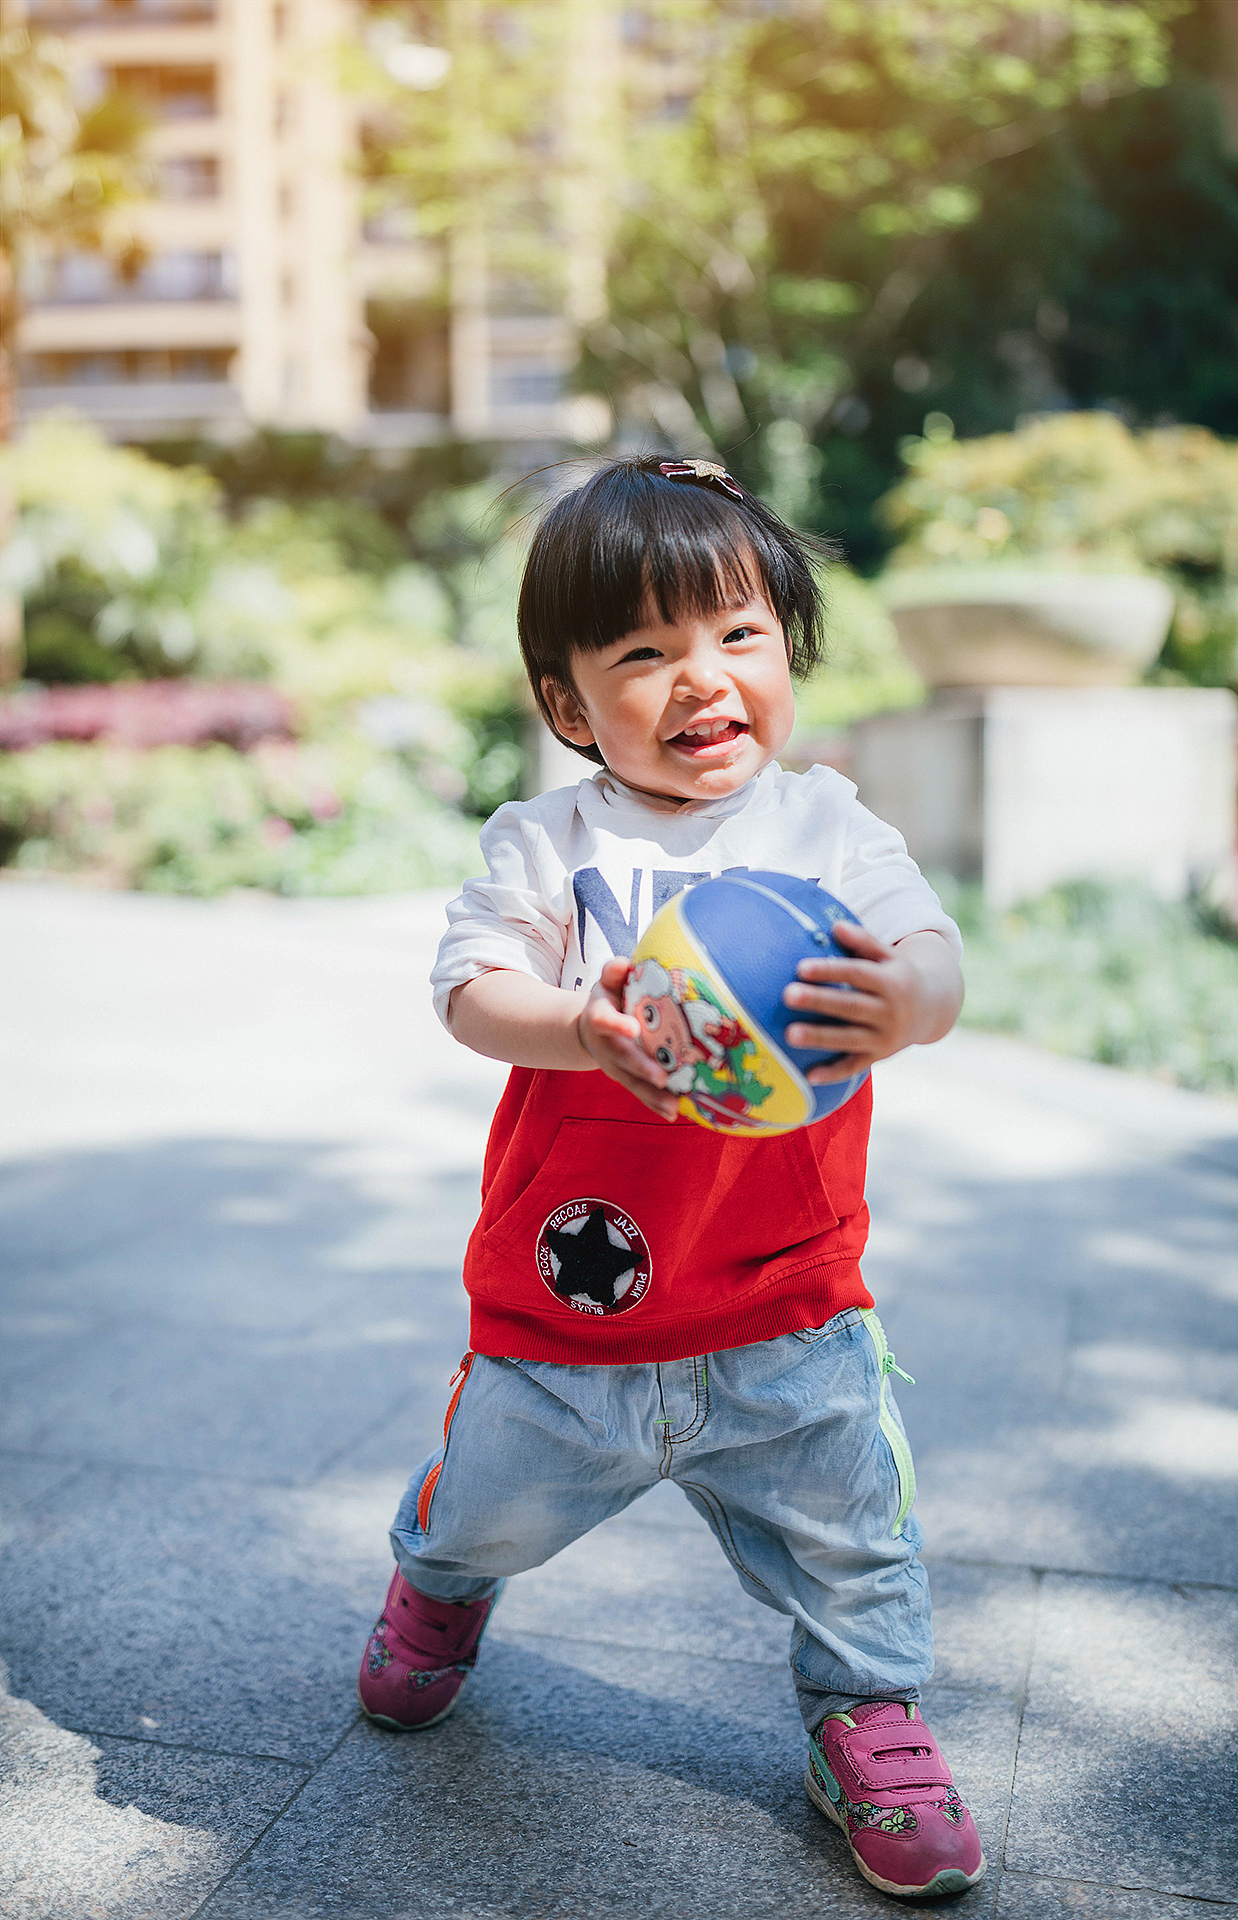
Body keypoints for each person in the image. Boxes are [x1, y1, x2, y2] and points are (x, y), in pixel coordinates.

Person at [356, 454, 984, 1902]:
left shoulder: (827, 829)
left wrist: (908, 1002)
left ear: (788, 652)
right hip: (573, 1304)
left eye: (740, 635)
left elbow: (933, 955)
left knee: (857, 1542)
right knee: (483, 1506)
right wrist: (579, 1022)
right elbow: (467, 989)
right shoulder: (552, 844)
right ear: (570, 706)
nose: (705, 678)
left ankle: (867, 1712)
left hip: (789, 1303)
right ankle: (443, 1585)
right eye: (646, 652)